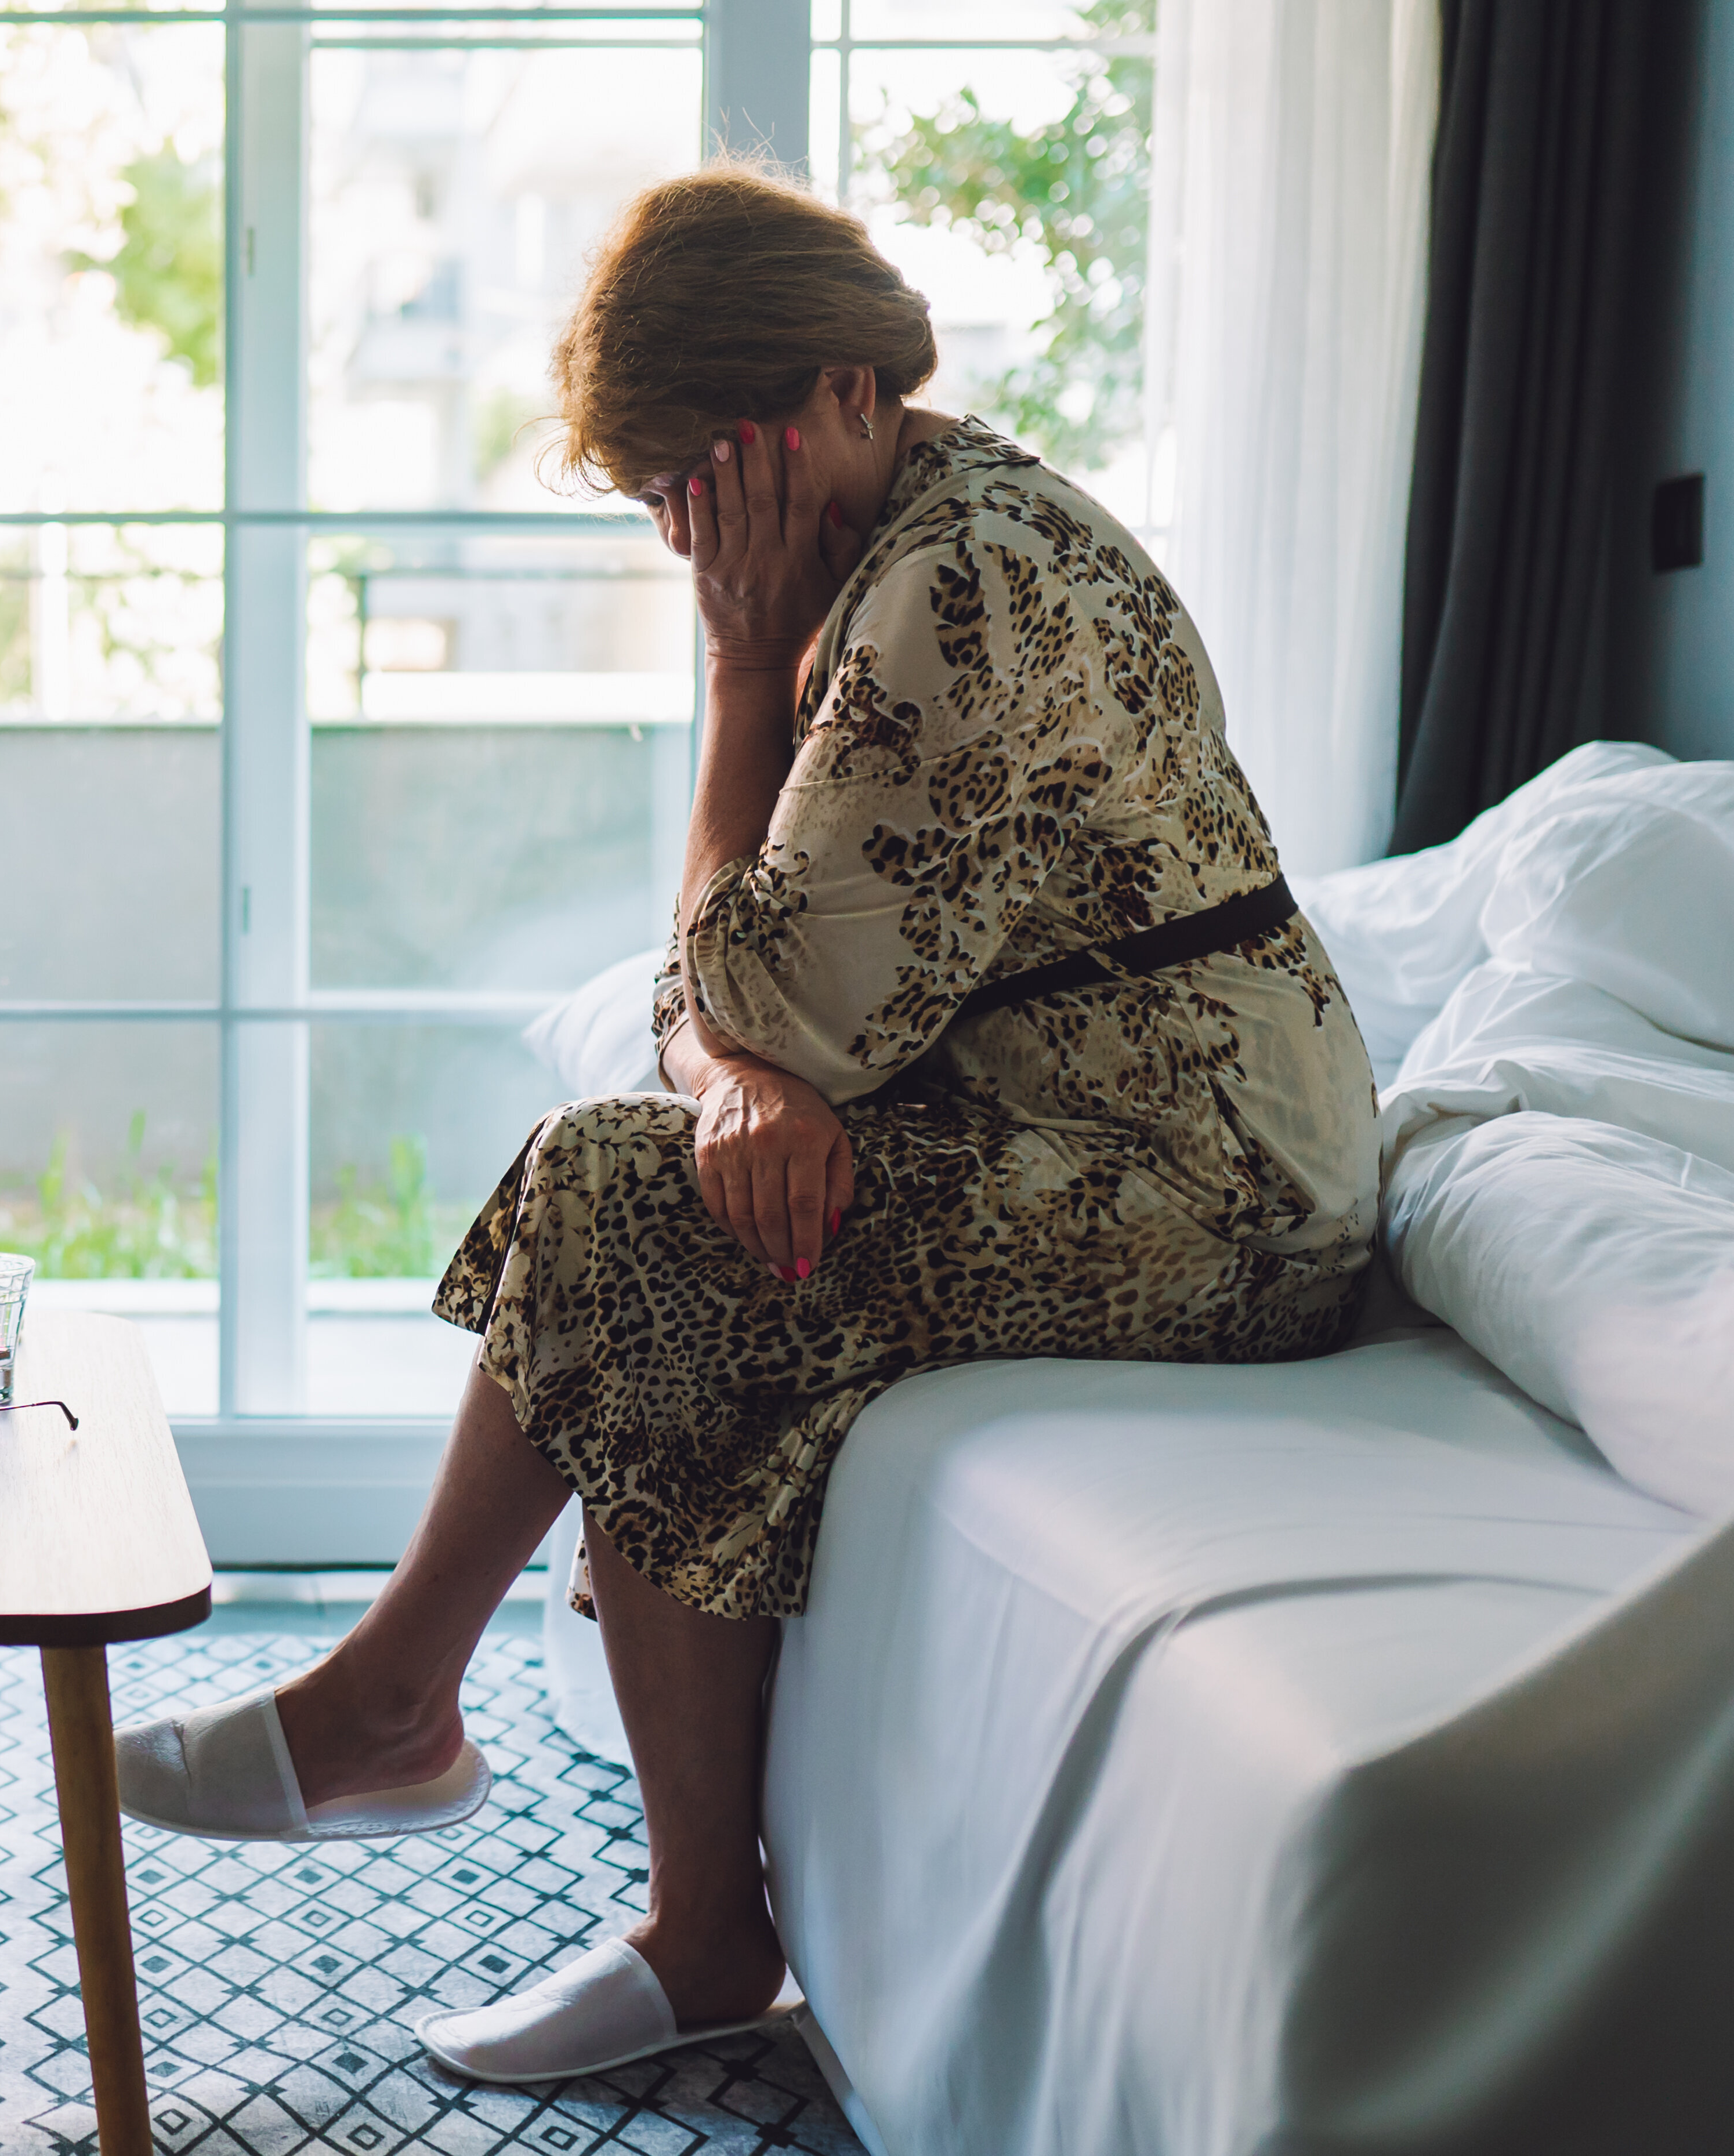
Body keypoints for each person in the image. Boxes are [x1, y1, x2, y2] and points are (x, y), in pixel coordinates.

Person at [113, 161, 1382, 2083]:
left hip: (1216, 1193)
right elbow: (733, 1016)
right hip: (1081, 1125)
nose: (696, 539)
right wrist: (734, 1072)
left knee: (631, 1207)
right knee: (653, 1212)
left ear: (846, 393)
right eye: (662, 506)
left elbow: (763, 994)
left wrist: (730, 680)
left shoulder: (955, 593)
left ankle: (431, 1727)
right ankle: (566, 1830)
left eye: (707, 482)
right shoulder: (904, 542)